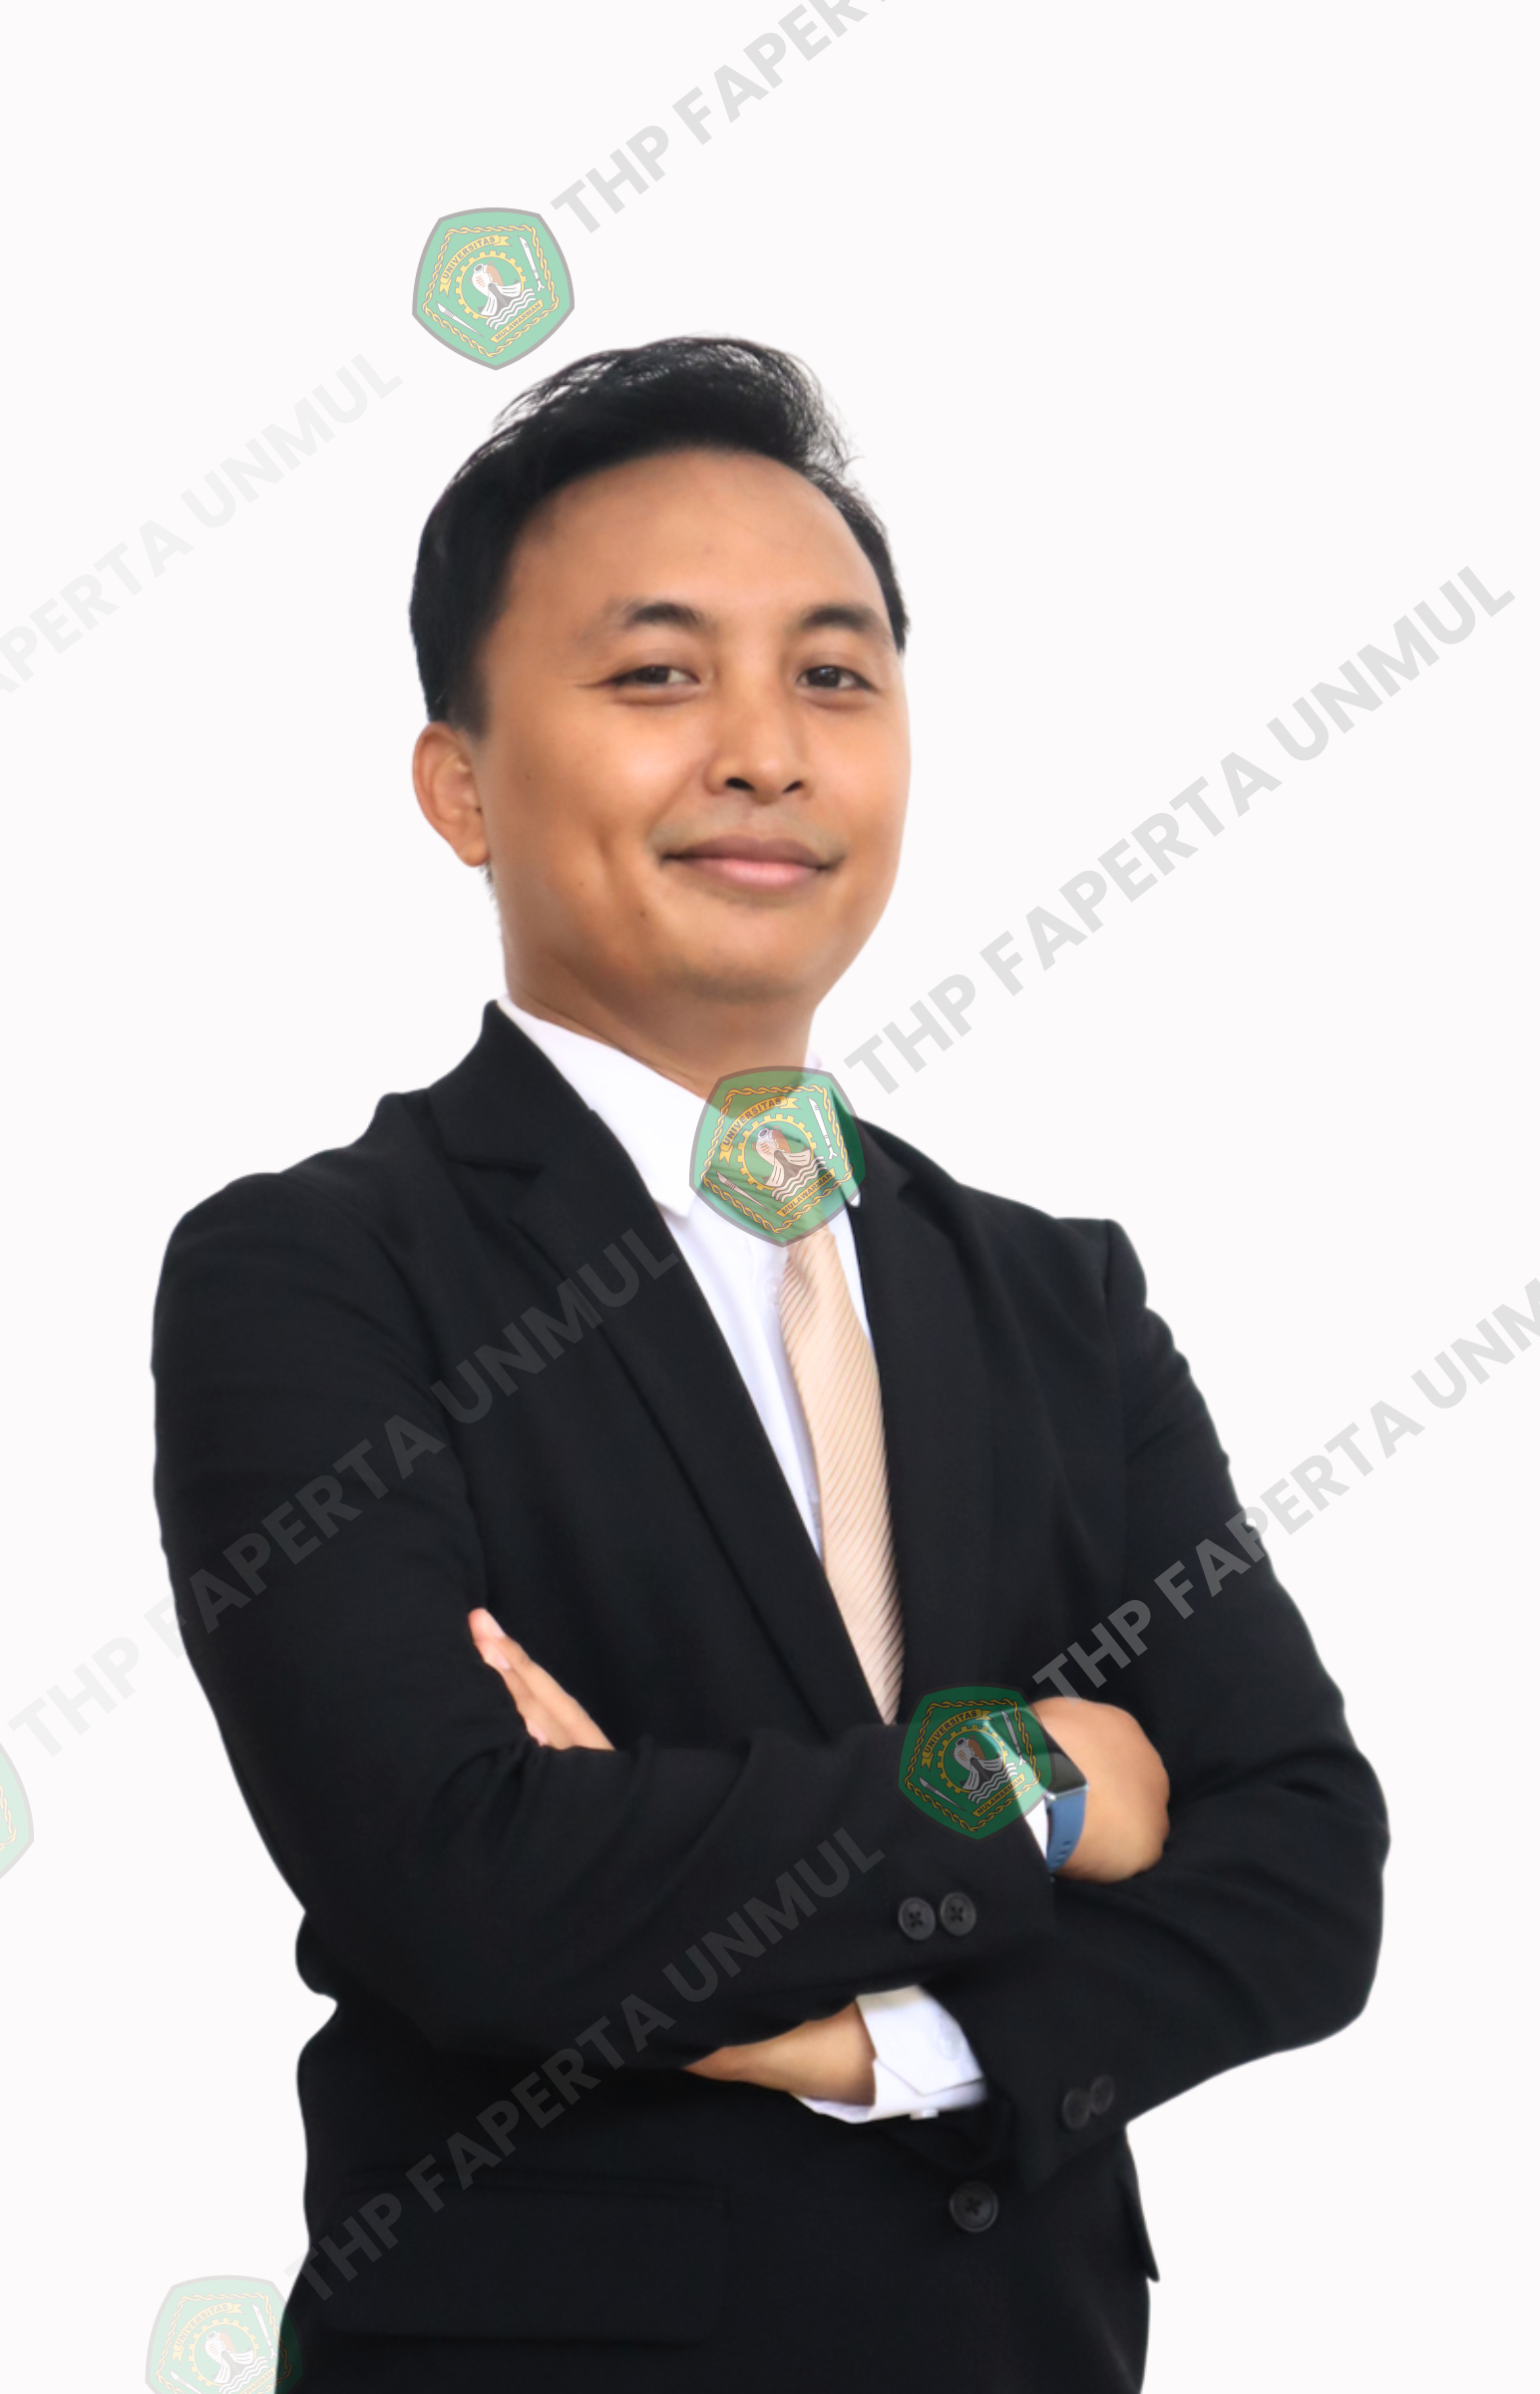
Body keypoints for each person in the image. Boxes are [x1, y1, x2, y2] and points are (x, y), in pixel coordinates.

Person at [152, 336, 1387, 2392]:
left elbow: (1306, 1869)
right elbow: (456, 1883)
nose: (762, 751)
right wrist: (1039, 1784)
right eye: (656, 675)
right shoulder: (316, 1271)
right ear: (460, 785)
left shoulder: (1053, 1299)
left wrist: (886, 2043)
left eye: (831, 675)